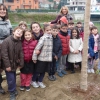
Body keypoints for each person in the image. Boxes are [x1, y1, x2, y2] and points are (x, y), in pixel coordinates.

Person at [1, 27, 24, 100]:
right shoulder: (6, 41)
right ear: (13, 32)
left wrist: (21, 63)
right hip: (8, 65)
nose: (19, 33)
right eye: (18, 31)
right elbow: (4, 55)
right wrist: (7, 66)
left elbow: (21, 53)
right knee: (10, 79)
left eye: (21, 32)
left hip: (15, 64)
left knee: (13, 77)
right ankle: (11, 92)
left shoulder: (19, 42)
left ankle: (13, 89)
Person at [32, 24, 53, 88]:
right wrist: (34, 58)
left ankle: (40, 81)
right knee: (38, 71)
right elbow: (37, 48)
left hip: (48, 58)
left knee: (44, 71)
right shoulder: (43, 38)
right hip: (42, 58)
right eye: (47, 30)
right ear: (44, 31)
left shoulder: (51, 37)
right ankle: (33, 81)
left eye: (50, 30)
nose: (49, 31)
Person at [0, 3, 12, 94]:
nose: (2, 11)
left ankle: (11, 85)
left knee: (6, 66)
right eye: (0, 9)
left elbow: (11, 33)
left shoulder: (8, 21)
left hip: (7, 46)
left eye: (4, 9)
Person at [30, 22, 43, 87]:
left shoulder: (43, 35)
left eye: (37, 27)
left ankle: (38, 79)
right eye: (33, 27)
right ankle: (33, 80)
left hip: (42, 54)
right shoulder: (30, 36)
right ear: (32, 29)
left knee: (40, 67)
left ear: (40, 27)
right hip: (33, 54)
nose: (35, 28)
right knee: (34, 67)